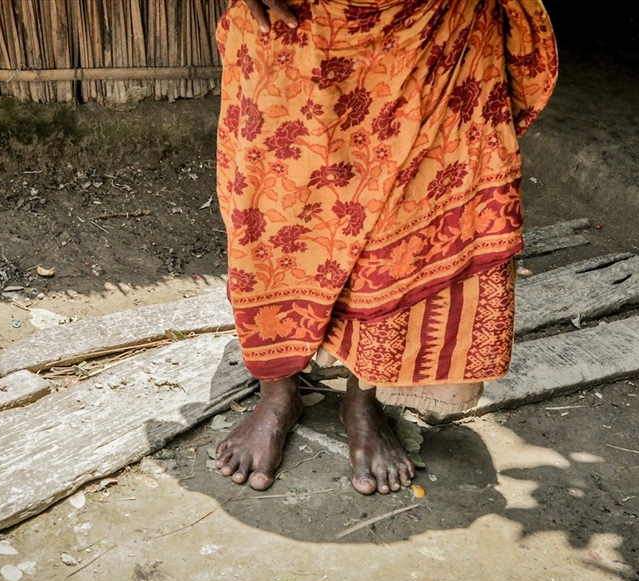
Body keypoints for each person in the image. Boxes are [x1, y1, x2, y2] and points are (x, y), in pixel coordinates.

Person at [213, 0, 557, 495]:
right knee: (278, 202)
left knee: (403, 210)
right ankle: (278, 390)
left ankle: (365, 394)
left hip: (432, 18)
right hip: (299, 18)